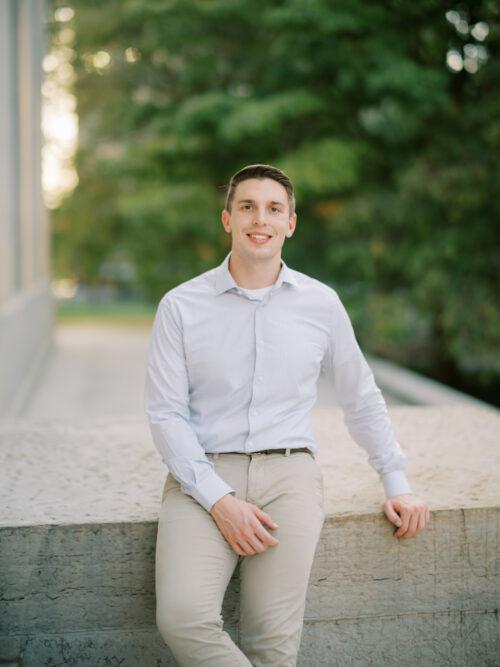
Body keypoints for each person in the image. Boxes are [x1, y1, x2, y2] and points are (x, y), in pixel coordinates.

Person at [144, 163, 430, 666]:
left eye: (274, 209)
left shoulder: (321, 304)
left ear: (290, 223)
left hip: (290, 475)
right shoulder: (180, 306)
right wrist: (219, 500)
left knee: (272, 643)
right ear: (227, 219)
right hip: (202, 477)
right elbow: (166, 414)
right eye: (247, 206)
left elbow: (360, 396)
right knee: (183, 618)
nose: (261, 219)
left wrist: (396, 480)